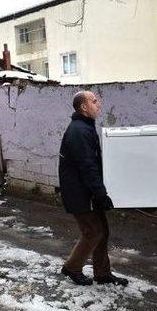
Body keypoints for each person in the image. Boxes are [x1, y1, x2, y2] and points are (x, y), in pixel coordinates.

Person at [58, 91, 128, 286]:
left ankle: (102, 273)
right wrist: (101, 194)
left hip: (86, 192)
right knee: (93, 232)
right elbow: (88, 167)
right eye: (94, 101)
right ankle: (72, 267)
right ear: (83, 107)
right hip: (80, 194)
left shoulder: (85, 128)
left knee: (102, 231)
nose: (99, 104)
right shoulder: (79, 131)